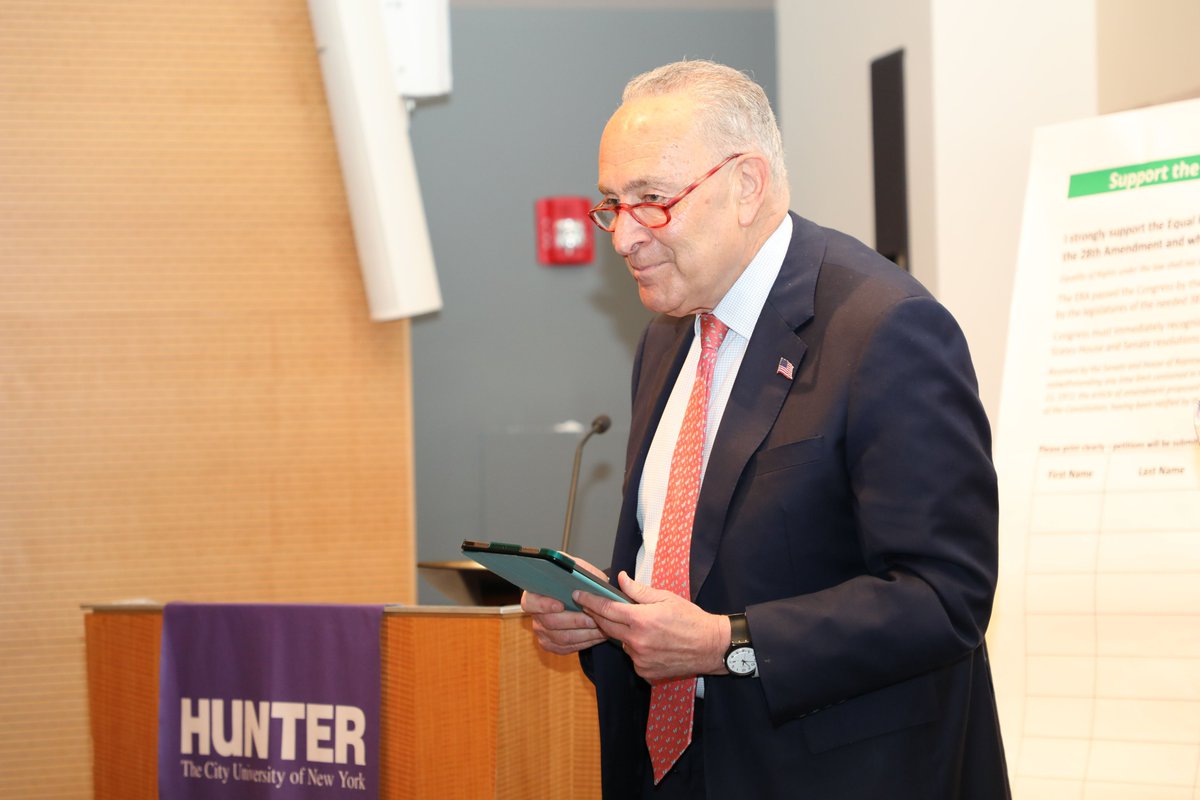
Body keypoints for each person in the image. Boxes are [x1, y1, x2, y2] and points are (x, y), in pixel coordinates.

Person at [522, 59, 1010, 799]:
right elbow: (697, 554)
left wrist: (729, 643)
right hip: (674, 769)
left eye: (652, 202)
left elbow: (945, 598)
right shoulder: (667, 338)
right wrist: (605, 615)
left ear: (746, 185)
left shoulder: (886, 329)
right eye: (612, 205)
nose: (623, 237)